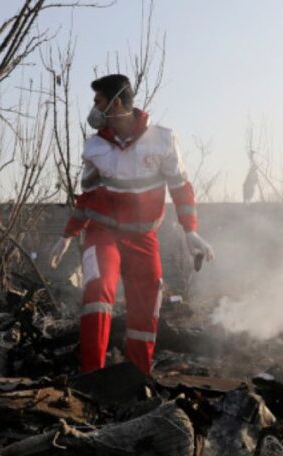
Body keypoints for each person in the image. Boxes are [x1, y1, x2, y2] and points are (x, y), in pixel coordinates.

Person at [49, 74, 214, 374]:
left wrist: (190, 230)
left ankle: (137, 377)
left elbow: (180, 187)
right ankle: (92, 378)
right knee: (98, 292)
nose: (94, 109)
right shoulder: (94, 147)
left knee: (148, 301)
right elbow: (86, 197)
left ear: (118, 102)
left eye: (99, 102)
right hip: (103, 234)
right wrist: (69, 234)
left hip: (143, 236)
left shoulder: (162, 140)